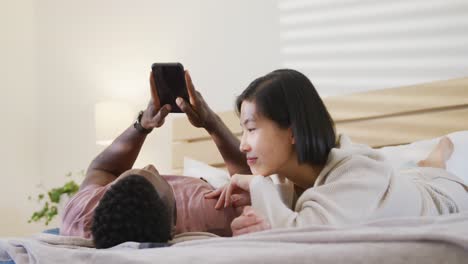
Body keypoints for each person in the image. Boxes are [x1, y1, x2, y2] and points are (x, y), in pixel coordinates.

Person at [204, 69, 468, 236]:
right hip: (403, 184)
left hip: (443, 194)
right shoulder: (286, 179)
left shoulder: (358, 171)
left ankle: (438, 154)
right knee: (413, 170)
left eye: (251, 129)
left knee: (432, 167)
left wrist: (259, 185)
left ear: (293, 131)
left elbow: (305, 232)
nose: (243, 145)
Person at [60, 71, 250, 248]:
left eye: (129, 175)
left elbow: (102, 170)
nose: (151, 166)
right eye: (158, 177)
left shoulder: (80, 214)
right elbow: (247, 182)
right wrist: (211, 122)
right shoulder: (209, 213)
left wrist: (143, 125)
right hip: (213, 183)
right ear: (171, 227)